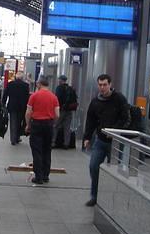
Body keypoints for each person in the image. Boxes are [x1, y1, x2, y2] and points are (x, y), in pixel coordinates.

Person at [83, 74, 130, 206]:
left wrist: (114, 130)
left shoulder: (119, 99)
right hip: (100, 140)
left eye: (105, 85)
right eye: (100, 85)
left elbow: (125, 118)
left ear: (110, 84)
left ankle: (110, 197)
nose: (102, 87)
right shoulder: (95, 101)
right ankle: (95, 196)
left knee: (114, 171)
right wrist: (87, 137)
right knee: (93, 167)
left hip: (115, 142)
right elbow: (90, 120)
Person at [25, 76, 60, 184]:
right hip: (49, 125)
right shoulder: (54, 97)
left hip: (36, 124)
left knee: (37, 150)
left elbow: (28, 112)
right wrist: (51, 121)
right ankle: (46, 175)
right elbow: (57, 114)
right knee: (47, 150)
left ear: (39, 84)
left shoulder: (34, 96)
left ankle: (38, 176)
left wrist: (28, 125)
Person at [2, 72, 30, 145]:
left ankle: (13, 139)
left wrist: (3, 103)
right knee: (19, 122)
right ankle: (17, 137)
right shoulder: (26, 85)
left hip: (12, 106)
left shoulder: (10, 84)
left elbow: (5, 94)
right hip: (22, 107)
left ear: (16, 77)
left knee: (13, 122)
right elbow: (27, 97)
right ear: (22, 78)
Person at [53, 74, 78, 149]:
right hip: (69, 111)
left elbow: (56, 99)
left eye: (59, 79)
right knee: (67, 128)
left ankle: (53, 142)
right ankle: (66, 144)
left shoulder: (59, 88)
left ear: (61, 80)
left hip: (61, 110)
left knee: (55, 126)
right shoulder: (70, 88)